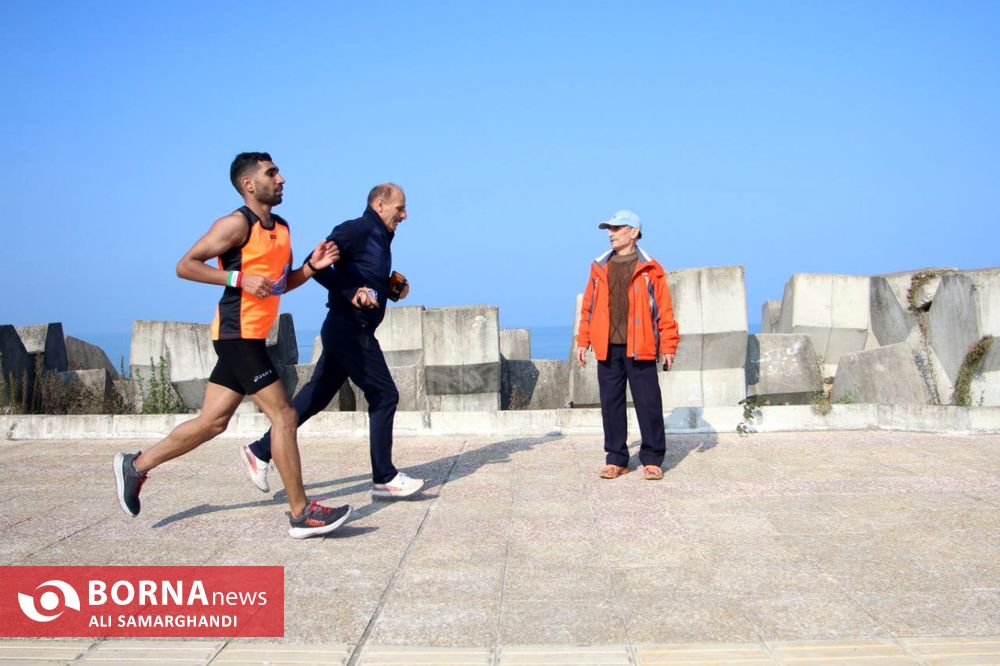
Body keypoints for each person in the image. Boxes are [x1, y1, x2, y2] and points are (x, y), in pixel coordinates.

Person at [113, 152, 352, 539]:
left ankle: (135, 466)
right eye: (271, 173)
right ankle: (301, 513)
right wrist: (238, 279)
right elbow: (186, 265)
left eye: (278, 172)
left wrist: (310, 268)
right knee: (285, 416)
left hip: (252, 336)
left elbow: (278, 285)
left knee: (212, 422)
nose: (281, 179)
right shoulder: (235, 224)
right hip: (235, 335)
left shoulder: (283, 228)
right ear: (248, 184)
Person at [238, 183, 424, 499]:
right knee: (384, 394)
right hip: (349, 327)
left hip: (345, 329)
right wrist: (351, 293)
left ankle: (260, 450)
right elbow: (316, 264)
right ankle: (384, 478)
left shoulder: (380, 237)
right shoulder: (357, 229)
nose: (405, 215)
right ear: (379, 204)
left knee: (316, 396)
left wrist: (390, 289)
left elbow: (362, 278)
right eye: (400, 208)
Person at [575, 210, 680, 481]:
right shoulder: (599, 267)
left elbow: (664, 309)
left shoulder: (651, 268)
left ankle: (652, 459)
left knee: (648, 404)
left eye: (616, 228)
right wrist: (583, 340)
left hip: (641, 345)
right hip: (607, 346)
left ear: (633, 232)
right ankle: (616, 459)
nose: (610, 234)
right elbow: (588, 307)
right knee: (611, 404)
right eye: (609, 229)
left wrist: (668, 345)